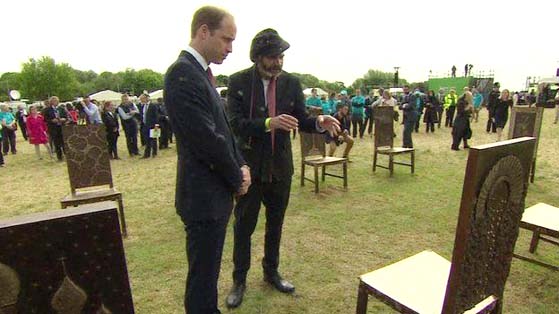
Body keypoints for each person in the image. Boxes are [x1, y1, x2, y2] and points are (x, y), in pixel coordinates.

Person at [225, 28, 339, 309]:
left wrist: (318, 122)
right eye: (272, 57)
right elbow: (235, 124)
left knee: (275, 224)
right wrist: (267, 123)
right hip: (249, 168)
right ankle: (239, 280)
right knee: (244, 226)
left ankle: (271, 272)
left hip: (280, 167)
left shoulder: (291, 83)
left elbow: (299, 118)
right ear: (258, 57)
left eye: (281, 57)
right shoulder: (239, 81)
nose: (278, 62)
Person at [164, 6, 250, 314]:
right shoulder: (182, 73)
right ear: (204, 31)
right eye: (226, 39)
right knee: (202, 284)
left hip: (213, 194)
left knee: (207, 277)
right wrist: (237, 177)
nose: (230, 48)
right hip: (203, 197)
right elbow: (206, 140)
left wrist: (242, 163)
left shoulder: (200, 73)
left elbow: (223, 130)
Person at [43, 96, 67, 161]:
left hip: (61, 127)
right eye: (54, 101)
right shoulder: (47, 110)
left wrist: (64, 119)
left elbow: (66, 116)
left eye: (57, 101)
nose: (56, 102)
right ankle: (60, 157)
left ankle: (66, 155)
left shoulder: (61, 108)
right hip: (53, 128)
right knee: (57, 143)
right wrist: (51, 120)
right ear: (51, 102)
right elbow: (45, 119)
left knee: (64, 142)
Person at [139, 94, 160, 158]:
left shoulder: (153, 106)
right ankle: (147, 154)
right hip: (145, 125)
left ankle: (154, 153)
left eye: (142, 99)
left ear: (146, 98)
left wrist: (156, 125)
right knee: (147, 140)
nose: (141, 100)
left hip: (153, 125)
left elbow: (156, 116)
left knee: (154, 139)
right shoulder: (142, 106)